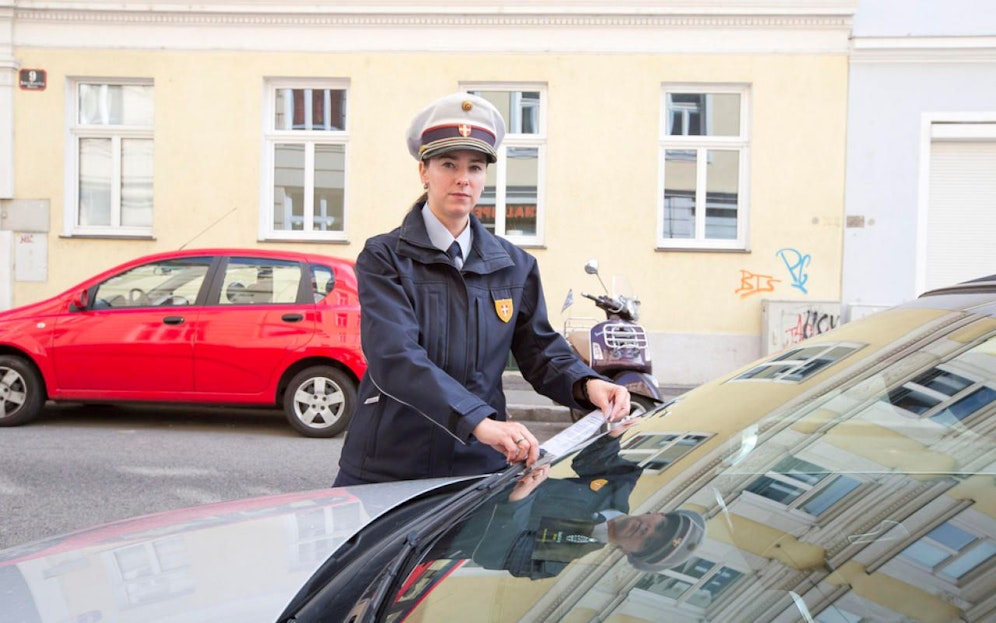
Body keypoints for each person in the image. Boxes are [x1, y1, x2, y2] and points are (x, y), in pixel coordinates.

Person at [334, 92, 630, 486]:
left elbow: (540, 350)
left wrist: (587, 383)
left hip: (478, 465)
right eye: (448, 164)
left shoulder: (514, 265)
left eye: (475, 167)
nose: (463, 178)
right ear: (423, 171)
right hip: (389, 463)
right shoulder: (385, 256)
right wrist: (480, 421)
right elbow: (395, 357)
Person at [427, 424, 707, 579]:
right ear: (658, 513)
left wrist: (519, 498)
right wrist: (613, 433)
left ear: (627, 553)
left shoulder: (566, 552)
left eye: (648, 543)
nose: (649, 531)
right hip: (465, 473)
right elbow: (592, 460)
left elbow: (492, 551)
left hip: (435, 523)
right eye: (662, 526)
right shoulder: (619, 486)